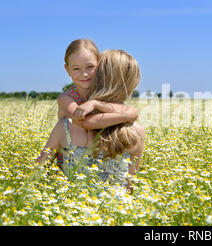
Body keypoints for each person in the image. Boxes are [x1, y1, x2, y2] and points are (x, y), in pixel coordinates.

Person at [37, 49, 145, 192]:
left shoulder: (66, 127)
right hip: (115, 211)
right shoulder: (138, 132)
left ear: (98, 77)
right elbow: (130, 187)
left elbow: (37, 170)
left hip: (71, 210)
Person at [55, 39, 140, 167]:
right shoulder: (66, 98)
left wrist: (97, 104)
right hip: (66, 159)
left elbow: (128, 110)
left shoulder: (99, 97)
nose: (84, 74)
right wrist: (126, 116)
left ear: (99, 67)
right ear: (67, 69)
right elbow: (83, 121)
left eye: (90, 67)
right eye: (76, 68)